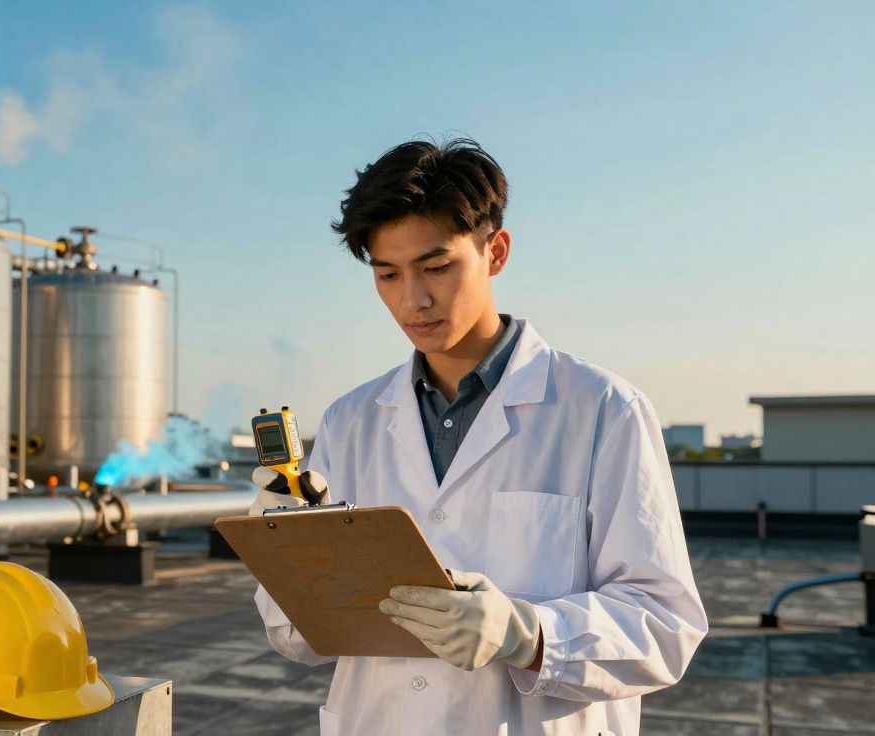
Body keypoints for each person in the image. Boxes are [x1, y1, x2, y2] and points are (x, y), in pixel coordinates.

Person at [251, 139, 707, 735]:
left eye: (436, 267)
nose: (412, 299)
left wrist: (526, 633)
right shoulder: (350, 419)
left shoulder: (602, 408)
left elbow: (665, 625)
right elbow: (299, 640)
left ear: (495, 252)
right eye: (387, 274)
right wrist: (283, 555)